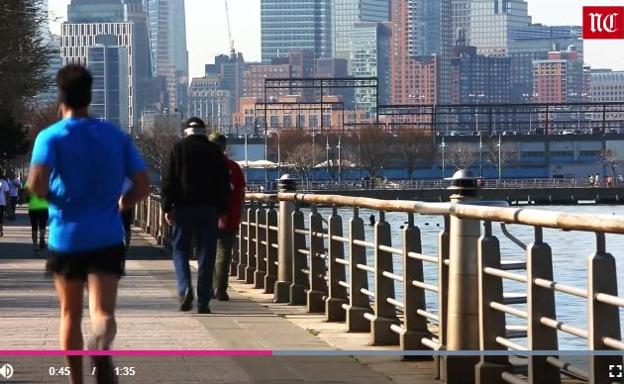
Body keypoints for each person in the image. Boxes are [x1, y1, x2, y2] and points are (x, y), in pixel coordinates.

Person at [28, 64, 149, 384]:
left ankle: (76, 380)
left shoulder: (49, 137)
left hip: (66, 236)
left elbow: (36, 184)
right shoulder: (114, 135)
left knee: (70, 314)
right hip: (107, 235)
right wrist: (122, 204)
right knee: (103, 312)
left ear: (61, 97)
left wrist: (57, 199)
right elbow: (142, 184)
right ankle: (103, 343)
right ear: (89, 96)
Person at [162, 118, 230, 314]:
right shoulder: (214, 151)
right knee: (206, 254)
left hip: (183, 209)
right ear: (203, 131)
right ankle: (203, 301)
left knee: (180, 250)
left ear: (186, 132)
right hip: (209, 209)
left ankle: (185, 288)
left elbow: (168, 179)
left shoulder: (178, 149)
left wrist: (167, 207)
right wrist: (223, 211)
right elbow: (224, 184)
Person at [209, 133, 246, 301]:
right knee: (224, 254)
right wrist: (240, 213)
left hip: (206, 216)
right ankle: (220, 289)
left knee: (207, 253)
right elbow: (240, 192)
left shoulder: (202, 167)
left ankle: (207, 287)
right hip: (229, 217)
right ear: (224, 147)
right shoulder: (233, 167)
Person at [25, 181, 49, 252]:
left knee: (34, 227)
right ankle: (42, 237)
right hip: (44, 206)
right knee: (43, 226)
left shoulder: (30, 180)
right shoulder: (45, 180)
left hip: (33, 207)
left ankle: (35, 245)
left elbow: (26, 194)